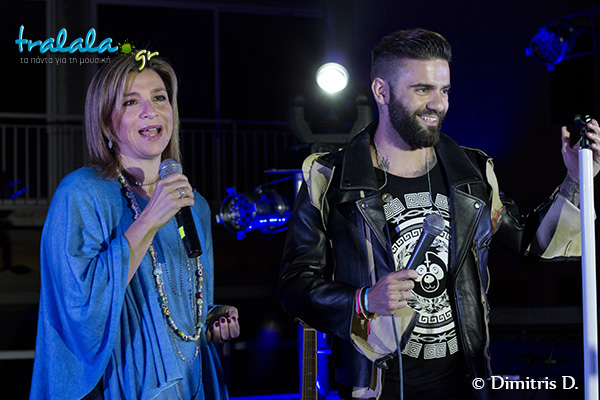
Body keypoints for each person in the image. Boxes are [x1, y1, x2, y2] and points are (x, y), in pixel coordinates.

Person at [278, 28, 600, 400]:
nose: (438, 104)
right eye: (422, 90)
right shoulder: (330, 178)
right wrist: (363, 301)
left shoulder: (472, 174)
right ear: (381, 91)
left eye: (444, 90)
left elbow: (530, 243)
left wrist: (576, 181)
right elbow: (295, 286)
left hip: (465, 386)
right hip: (377, 388)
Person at [29, 53, 240, 399]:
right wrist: (149, 218)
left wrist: (210, 321)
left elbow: (178, 307)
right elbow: (76, 308)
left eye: (159, 98)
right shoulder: (81, 193)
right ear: (106, 124)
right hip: (122, 384)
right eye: (131, 102)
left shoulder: (194, 205)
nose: (150, 111)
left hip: (191, 382)